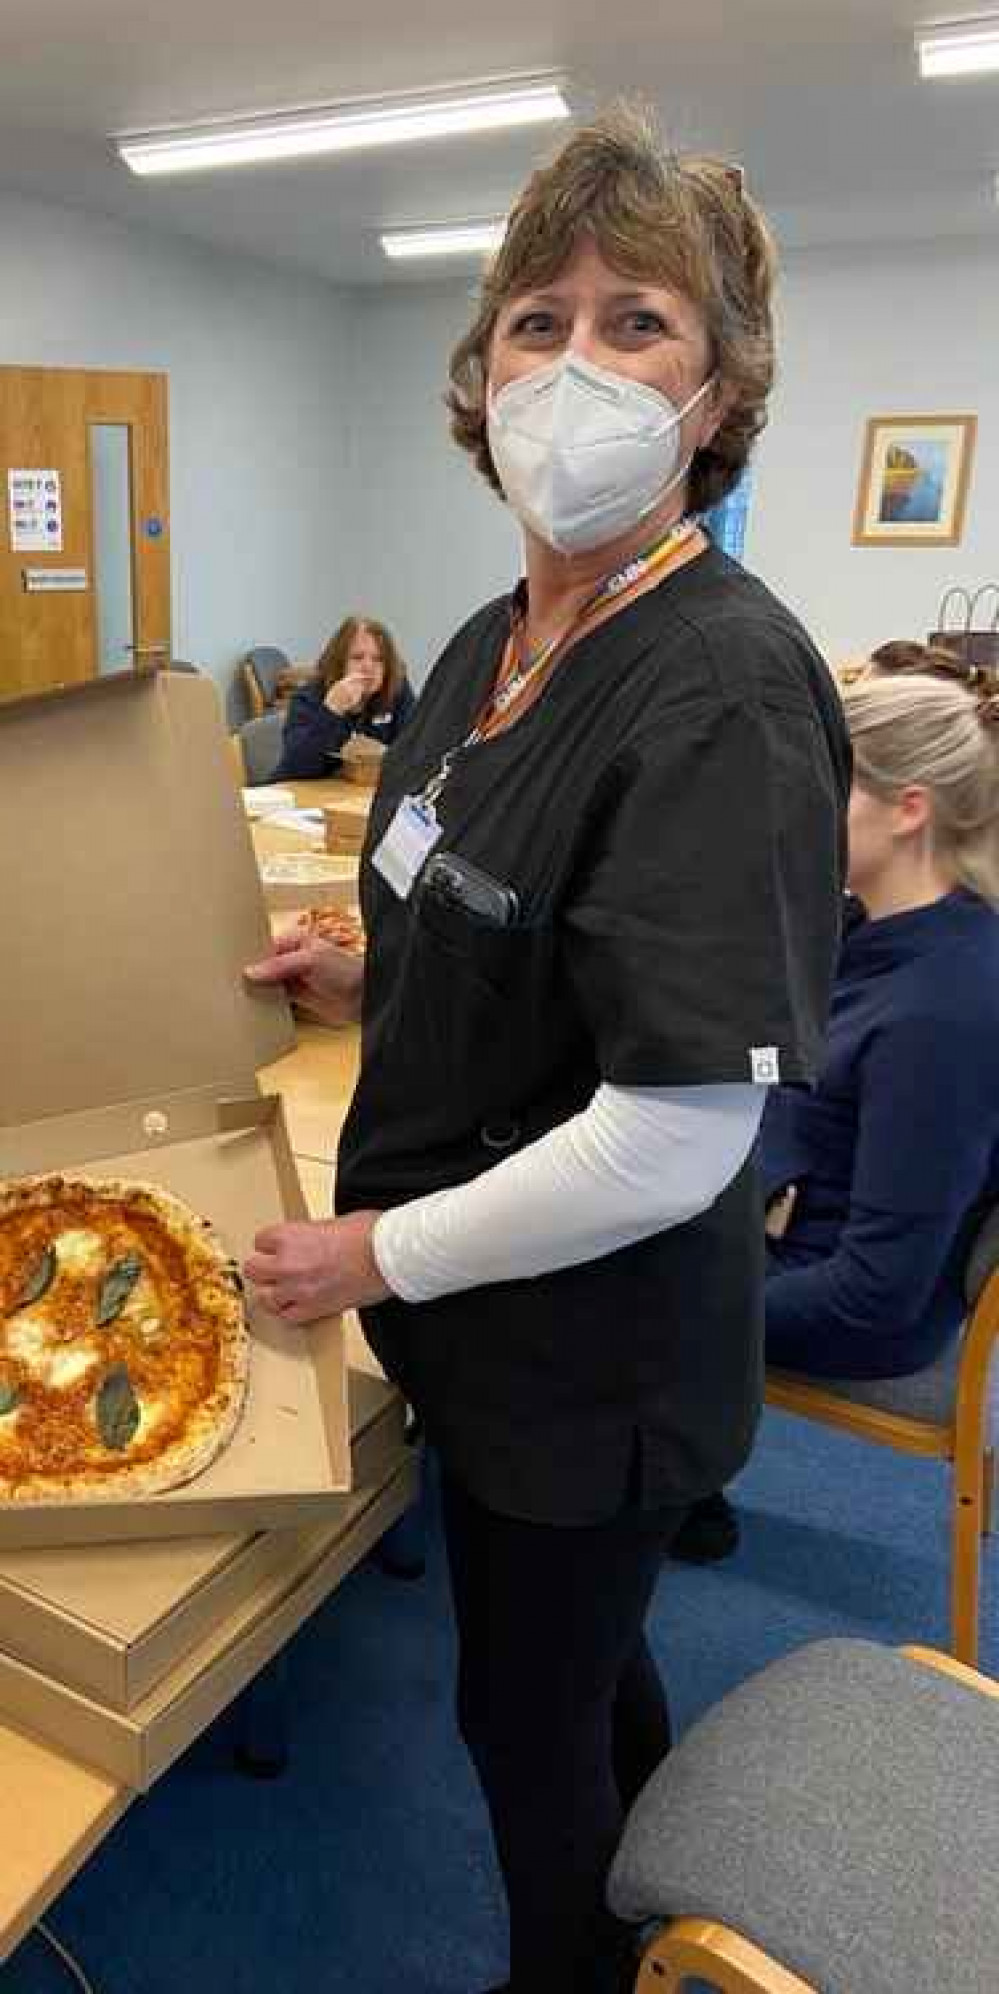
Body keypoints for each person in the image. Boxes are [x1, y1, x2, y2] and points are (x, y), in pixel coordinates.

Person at [243, 106, 849, 1994]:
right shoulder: (486, 642)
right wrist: (368, 980)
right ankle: (652, 1889)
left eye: (637, 322)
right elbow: (483, 910)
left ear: (715, 391)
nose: (572, 365)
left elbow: (675, 1137)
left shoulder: (725, 686)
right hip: (486, 1328)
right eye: (535, 319)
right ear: (477, 373)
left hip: (586, 1365)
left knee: (520, 1725)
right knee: (579, 1672)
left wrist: (369, 1255)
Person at [672, 664, 999, 1565]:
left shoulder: (944, 1008)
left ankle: (651, 1490)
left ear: (908, 810)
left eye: (824, 784)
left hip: (841, 1298)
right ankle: (677, 1473)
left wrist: (680, 1305)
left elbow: (872, 1294)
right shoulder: (889, 928)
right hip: (778, 1217)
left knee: (566, 1279)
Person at [270, 615, 414, 778]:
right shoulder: (309, 697)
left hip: (363, 794)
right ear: (339, 662)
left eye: (378, 659)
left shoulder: (397, 691)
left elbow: (415, 751)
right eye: (357, 658)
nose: (368, 667)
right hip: (308, 793)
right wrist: (331, 711)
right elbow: (298, 767)